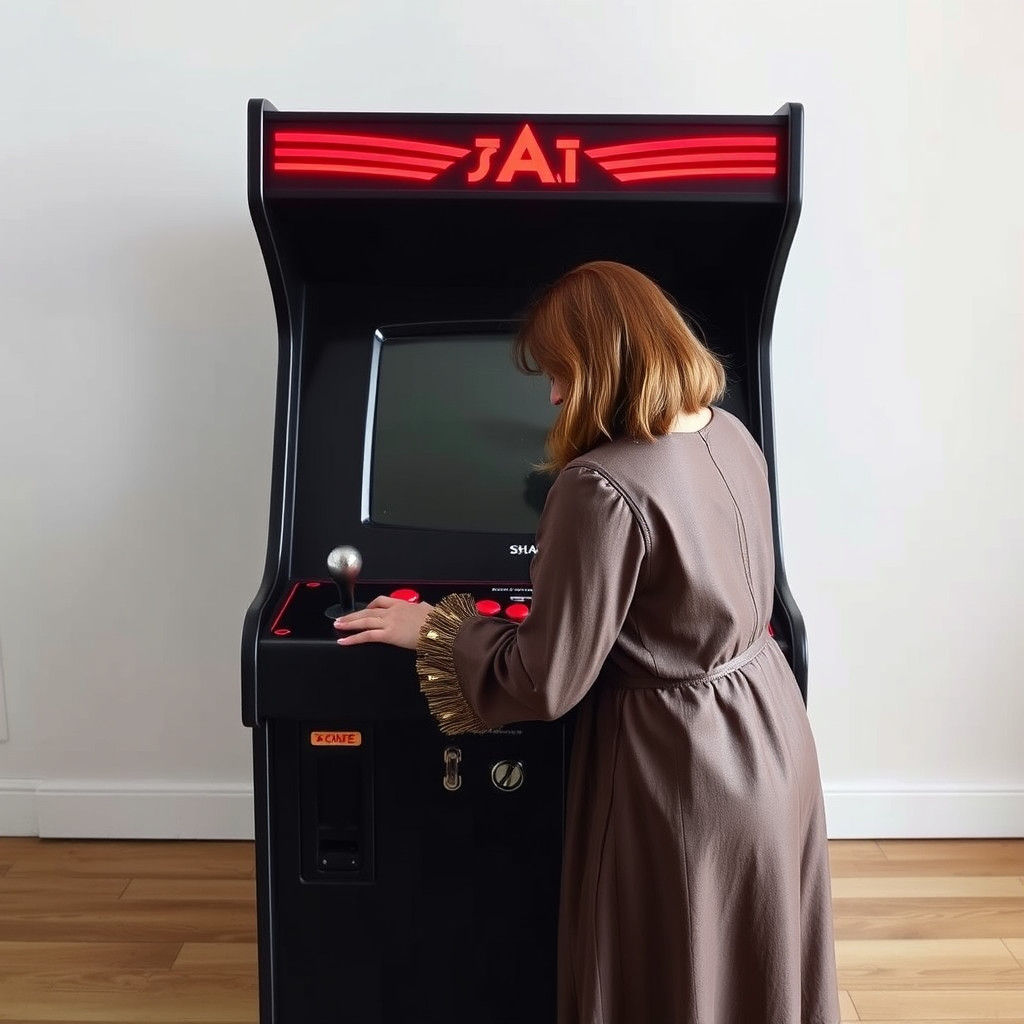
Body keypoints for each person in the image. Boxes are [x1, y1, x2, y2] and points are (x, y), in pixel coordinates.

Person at [333, 260, 841, 1024]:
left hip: (680, 773)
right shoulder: (730, 433)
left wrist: (432, 627)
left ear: (604, 364)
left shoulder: (601, 486)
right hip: (771, 738)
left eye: (562, 372)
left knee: (660, 975)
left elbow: (546, 680)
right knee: (748, 970)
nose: (552, 395)